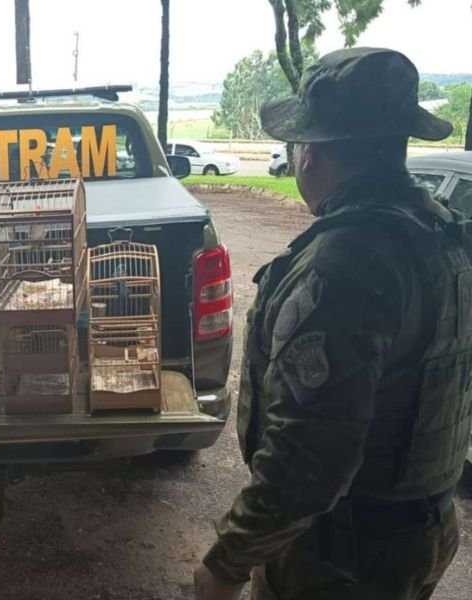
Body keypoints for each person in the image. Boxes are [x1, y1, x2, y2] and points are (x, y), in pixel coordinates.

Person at [194, 47, 471, 600]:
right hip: (424, 527)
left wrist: (228, 562)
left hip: (343, 556)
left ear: (312, 153)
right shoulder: (441, 233)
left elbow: (309, 456)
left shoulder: (346, 265)